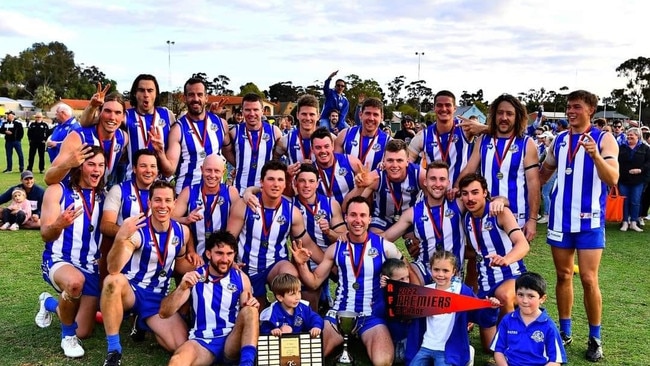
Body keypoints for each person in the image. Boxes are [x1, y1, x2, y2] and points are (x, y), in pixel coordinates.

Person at [539, 90, 619, 362]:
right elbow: (545, 171)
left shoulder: (604, 138)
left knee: (587, 278)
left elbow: (612, 177)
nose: (570, 111)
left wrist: (596, 156)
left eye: (576, 107)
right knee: (563, 276)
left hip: (589, 220)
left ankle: (595, 338)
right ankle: (564, 332)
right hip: (560, 219)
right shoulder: (560, 140)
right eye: (568, 107)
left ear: (590, 111)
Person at [291, 196, 404, 365]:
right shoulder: (335, 248)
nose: (358, 220)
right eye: (353, 215)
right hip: (339, 313)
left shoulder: (385, 247)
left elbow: (405, 273)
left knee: (383, 361)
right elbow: (314, 282)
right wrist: (302, 265)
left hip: (371, 315)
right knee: (311, 357)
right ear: (346, 218)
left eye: (362, 215)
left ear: (369, 219)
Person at [99, 180, 192, 366]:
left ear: (175, 203)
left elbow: (180, 263)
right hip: (132, 291)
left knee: (178, 345)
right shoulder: (137, 230)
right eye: (157, 200)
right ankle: (114, 350)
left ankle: (142, 323)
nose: (162, 205)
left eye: (167, 200)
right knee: (112, 281)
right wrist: (121, 237)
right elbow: (113, 268)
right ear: (149, 203)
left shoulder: (183, 232)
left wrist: (203, 269)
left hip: (158, 298)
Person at [35, 146, 106, 358]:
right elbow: (46, 234)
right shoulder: (58, 190)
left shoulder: (105, 196)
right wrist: (58, 224)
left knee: (82, 330)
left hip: (90, 266)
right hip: (60, 260)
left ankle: (47, 302)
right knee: (74, 283)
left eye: (101, 165)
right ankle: (68, 338)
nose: (97, 170)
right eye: (91, 164)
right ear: (79, 165)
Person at [159, 230, 260, 366]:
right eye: (219, 253)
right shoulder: (194, 277)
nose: (225, 259)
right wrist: (181, 289)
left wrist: (252, 303)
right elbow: (164, 313)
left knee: (251, 311)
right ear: (208, 254)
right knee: (177, 361)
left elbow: (246, 307)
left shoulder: (241, 278)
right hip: (202, 342)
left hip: (231, 340)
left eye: (229, 254)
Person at [226, 160, 318, 305]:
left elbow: (307, 243)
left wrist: (330, 264)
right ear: (262, 182)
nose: (276, 184)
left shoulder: (292, 212)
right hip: (246, 266)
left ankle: (289, 322)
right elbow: (228, 239)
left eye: (280, 180)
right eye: (271, 179)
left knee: (290, 277)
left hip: (275, 265)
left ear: (285, 183)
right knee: (255, 314)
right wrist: (230, 262)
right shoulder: (245, 205)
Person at [459, 173, 530, 351]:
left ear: (485, 193)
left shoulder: (499, 212)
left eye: (475, 192)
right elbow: (474, 251)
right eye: (465, 193)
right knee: (489, 347)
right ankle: (520, 325)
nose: (470, 198)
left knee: (504, 296)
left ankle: (515, 348)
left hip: (511, 276)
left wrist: (506, 259)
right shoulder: (467, 219)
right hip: (486, 285)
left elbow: (523, 245)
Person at [457, 94, 540, 241]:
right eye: (500, 113)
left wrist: (532, 220)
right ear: (494, 115)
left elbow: (534, 183)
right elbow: (469, 169)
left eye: (509, 114)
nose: (504, 117)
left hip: (516, 216)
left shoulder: (527, 143)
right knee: (479, 258)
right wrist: (455, 187)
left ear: (517, 117)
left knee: (512, 260)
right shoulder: (483, 140)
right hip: (484, 212)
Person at [410, 251, 500, 366]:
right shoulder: (425, 291)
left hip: (448, 348)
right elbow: (407, 311)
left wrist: (491, 308)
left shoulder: (461, 291)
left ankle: (468, 352)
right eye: (436, 269)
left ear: (454, 272)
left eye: (445, 271)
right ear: (430, 269)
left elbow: (480, 315)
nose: (440, 274)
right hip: (426, 345)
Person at [81, 76, 175, 182]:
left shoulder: (167, 115)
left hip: (161, 182)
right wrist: (92, 106)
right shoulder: (125, 116)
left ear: (156, 93)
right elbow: (85, 123)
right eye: (141, 90)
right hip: (133, 181)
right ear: (135, 93)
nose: (146, 95)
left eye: (150, 90)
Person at [162, 77, 232, 194]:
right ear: (184, 98)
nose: (196, 99)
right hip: (186, 194)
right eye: (191, 95)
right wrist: (160, 152)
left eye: (200, 95)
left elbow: (230, 153)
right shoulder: (178, 129)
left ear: (206, 98)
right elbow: (170, 170)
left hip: (216, 193)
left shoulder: (221, 124)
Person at [45, 93, 128, 187]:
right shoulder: (78, 137)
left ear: (123, 116)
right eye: (107, 111)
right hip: (73, 197)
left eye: (118, 112)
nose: (112, 117)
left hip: (100, 196)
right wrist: (68, 164)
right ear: (99, 112)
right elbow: (48, 178)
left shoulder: (123, 137)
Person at [346, 139, 424, 233]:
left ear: (408, 161)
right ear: (384, 161)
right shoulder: (376, 176)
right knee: (374, 244)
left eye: (399, 160)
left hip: (410, 217)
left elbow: (433, 200)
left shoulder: (419, 174)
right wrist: (359, 188)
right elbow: (350, 206)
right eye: (390, 160)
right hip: (382, 217)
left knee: (417, 244)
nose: (395, 165)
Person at [491, 272, 567, 366]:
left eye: (531, 296)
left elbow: (556, 361)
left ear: (542, 299)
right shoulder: (507, 320)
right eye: (520, 295)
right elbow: (498, 351)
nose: (525, 301)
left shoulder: (549, 326)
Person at [408, 90, 484, 184]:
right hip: (435, 193)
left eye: (448, 105)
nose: (444, 109)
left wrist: (482, 127)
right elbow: (407, 163)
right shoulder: (423, 136)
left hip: (459, 192)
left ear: (455, 108)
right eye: (439, 105)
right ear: (434, 108)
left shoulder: (465, 129)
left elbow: (498, 132)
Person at [173, 154, 240, 258]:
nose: (212, 175)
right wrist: (185, 219)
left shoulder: (231, 192)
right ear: (201, 169)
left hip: (222, 258)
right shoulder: (188, 192)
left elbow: (240, 221)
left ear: (223, 172)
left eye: (217, 171)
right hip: (194, 257)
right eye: (208, 170)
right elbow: (170, 217)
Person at [228, 93, 282, 195]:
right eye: (247, 110)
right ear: (242, 111)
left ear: (262, 111)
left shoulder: (274, 132)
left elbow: (281, 154)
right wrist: (239, 164)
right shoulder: (234, 132)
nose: (252, 114)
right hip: (240, 192)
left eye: (256, 110)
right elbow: (225, 150)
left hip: (265, 193)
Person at [311, 127, 364, 205]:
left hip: (350, 213)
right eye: (318, 147)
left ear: (332, 146)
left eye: (326, 146)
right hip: (325, 215)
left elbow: (366, 188)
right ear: (312, 149)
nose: (323, 151)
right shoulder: (310, 171)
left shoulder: (351, 161)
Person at [335, 97, 391, 171]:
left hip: (373, 182)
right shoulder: (344, 135)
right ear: (360, 115)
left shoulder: (389, 142)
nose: (371, 118)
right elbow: (334, 165)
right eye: (368, 113)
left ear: (382, 117)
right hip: (347, 182)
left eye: (375, 114)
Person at [260, 273, 323, 337]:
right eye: (293, 294)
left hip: (301, 343)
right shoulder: (272, 312)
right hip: (280, 344)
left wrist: (316, 327)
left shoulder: (303, 307)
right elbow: (264, 329)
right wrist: (272, 331)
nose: (297, 297)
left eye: (299, 292)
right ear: (280, 297)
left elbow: (315, 317)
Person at [274, 94, 321, 169]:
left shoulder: (330, 139)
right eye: (304, 114)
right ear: (297, 115)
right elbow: (274, 162)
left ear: (318, 116)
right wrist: (286, 171)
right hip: (295, 180)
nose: (308, 118)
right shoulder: (285, 140)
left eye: (312, 114)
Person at [618, 127, 650, 232]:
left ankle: (634, 222)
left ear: (638, 136)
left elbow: (648, 163)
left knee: (635, 201)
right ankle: (625, 222)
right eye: (628, 134)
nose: (629, 136)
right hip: (623, 179)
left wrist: (640, 170)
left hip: (638, 180)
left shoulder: (645, 148)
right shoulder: (621, 147)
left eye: (632, 135)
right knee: (624, 201)